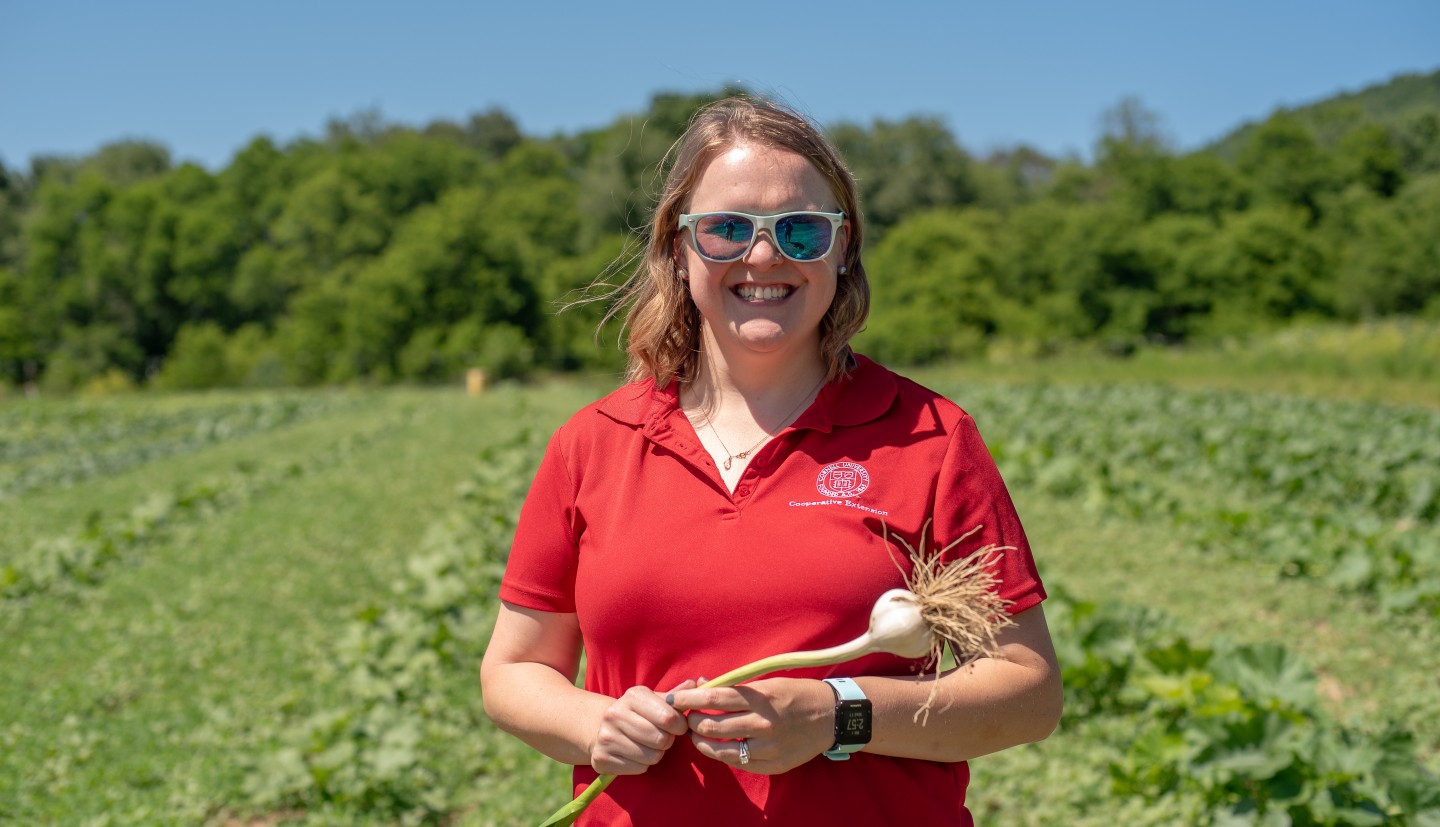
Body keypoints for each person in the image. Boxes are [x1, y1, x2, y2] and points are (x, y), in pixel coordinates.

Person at [480, 96, 1061, 826]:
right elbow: (515, 669)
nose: (763, 256)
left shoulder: (931, 437)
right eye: (725, 229)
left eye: (800, 229)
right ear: (678, 247)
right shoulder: (591, 442)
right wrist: (594, 725)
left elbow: (1028, 691)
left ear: (842, 248)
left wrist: (837, 714)